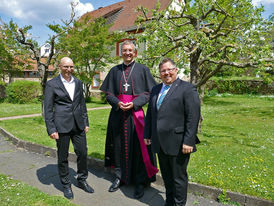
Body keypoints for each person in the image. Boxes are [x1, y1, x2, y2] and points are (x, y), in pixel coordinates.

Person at [100, 40, 158, 199]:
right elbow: (108, 94)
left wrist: (134, 103)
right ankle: (119, 177)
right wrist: (117, 103)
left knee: (139, 148)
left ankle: (140, 181)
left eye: (130, 50)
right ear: (121, 53)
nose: (127, 53)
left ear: (135, 53)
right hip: (118, 115)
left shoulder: (143, 70)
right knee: (118, 146)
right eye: (124, 50)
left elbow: (148, 93)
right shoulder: (114, 70)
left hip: (136, 116)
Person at [144, 58, 201, 206]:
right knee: (167, 177)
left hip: (178, 143)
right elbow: (150, 113)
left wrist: (188, 141)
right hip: (160, 142)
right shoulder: (156, 89)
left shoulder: (187, 89)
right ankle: (169, 202)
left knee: (178, 179)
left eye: (169, 69)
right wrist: (147, 134)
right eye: (163, 70)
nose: (167, 73)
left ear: (176, 70)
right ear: (160, 73)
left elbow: (193, 117)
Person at [44, 57, 94, 199]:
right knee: (63, 156)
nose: (69, 69)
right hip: (61, 126)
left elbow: (81, 103)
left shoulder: (78, 82)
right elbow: (47, 108)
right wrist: (51, 129)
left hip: (78, 125)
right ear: (60, 66)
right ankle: (66, 184)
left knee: (83, 153)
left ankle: (82, 180)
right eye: (66, 66)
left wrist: (86, 122)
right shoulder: (52, 84)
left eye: (71, 67)